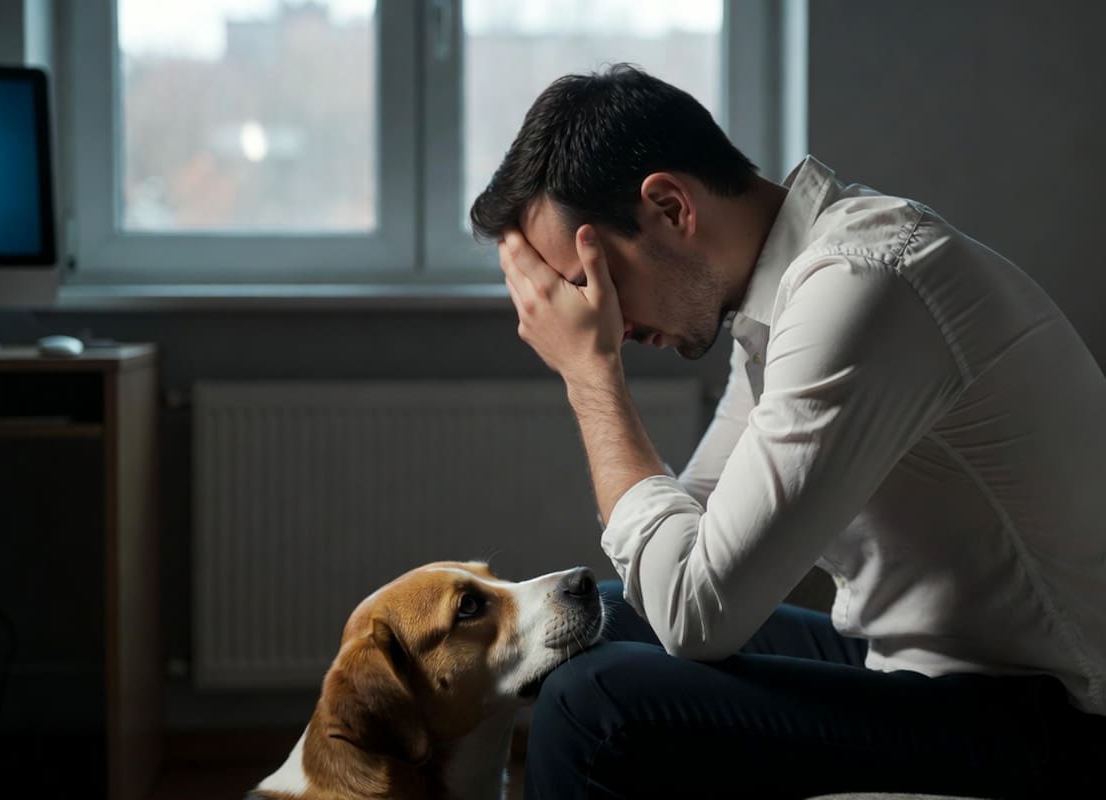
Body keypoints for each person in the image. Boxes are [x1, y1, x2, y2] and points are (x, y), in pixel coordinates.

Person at [469, 63, 1106, 799]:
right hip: (919, 662)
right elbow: (693, 540)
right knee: (603, 621)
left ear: (670, 207)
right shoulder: (784, 290)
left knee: (599, 705)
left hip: (1052, 713)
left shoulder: (861, 287)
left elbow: (696, 615)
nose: (600, 313)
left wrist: (591, 378)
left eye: (591, 276)